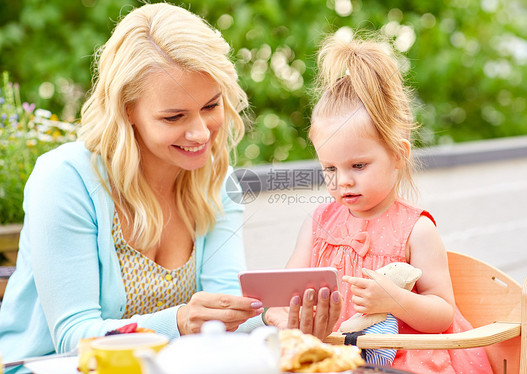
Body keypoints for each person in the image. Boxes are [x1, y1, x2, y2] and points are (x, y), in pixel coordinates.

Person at [0, 3, 340, 370]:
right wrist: (178, 322)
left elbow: (224, 307)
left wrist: (270, 317)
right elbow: (73, 338)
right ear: (127, 109)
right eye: (174, 116)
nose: (199, 133)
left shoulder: (215, 181)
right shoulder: (66, 179)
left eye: (210, 106)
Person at [277, 32, 494, 372]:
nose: (343, 180)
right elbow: (285, 292)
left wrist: (394, 300)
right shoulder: (318, 222)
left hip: (400, 358)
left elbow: (442, 312)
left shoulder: (416, 230)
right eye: (329, 168)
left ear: (397, 155)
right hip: (334, 356)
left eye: (358, 166)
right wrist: (276, 314)